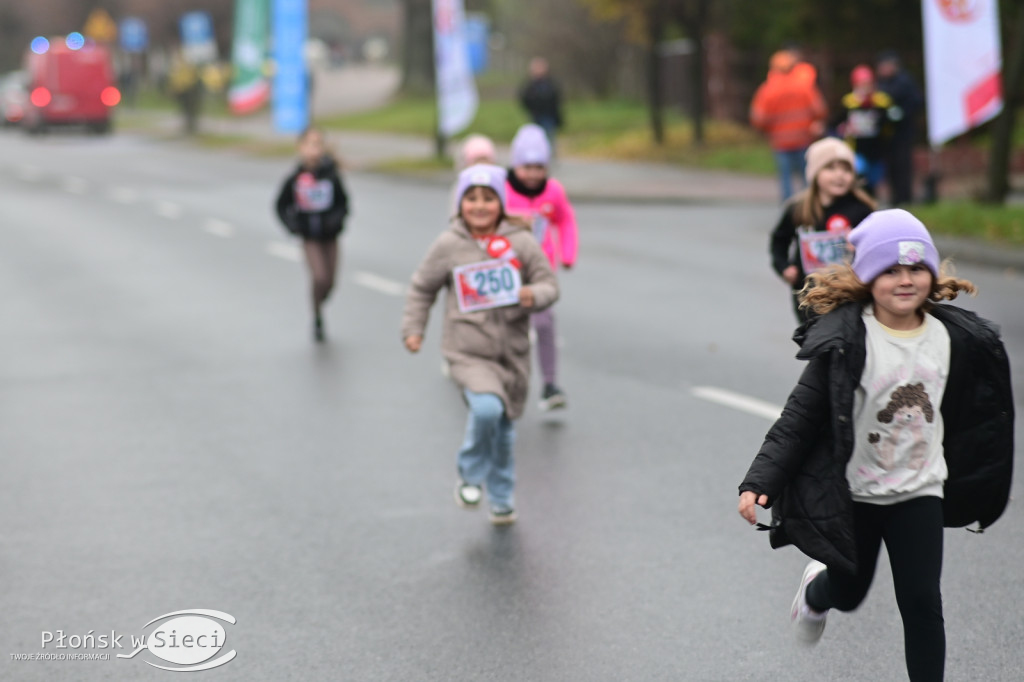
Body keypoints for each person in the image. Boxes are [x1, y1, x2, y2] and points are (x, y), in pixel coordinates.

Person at [738, 209, 1014, 680]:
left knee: (923, 602)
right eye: (890, 270)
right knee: (849, 594)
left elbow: (978, 417)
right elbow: (800, 418)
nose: (904, 281)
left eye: (915, 269)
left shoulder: (955, 338)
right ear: (867, 276)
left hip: (920, 489)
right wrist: (760, 481)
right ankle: (816, 592)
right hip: (856, 495)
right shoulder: (848, 340)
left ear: (930, 273)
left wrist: (980, 478)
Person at [402, 164, 559, 525]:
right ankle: (470, 473)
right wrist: (414, 329)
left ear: (501, 204)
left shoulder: (520, 242)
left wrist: (531, 294)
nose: (479, 206)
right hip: (467, 351)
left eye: (488, 198)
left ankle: (501, 498)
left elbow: (550, 285)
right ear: (459, 205)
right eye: (471, 198)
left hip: (512, 356)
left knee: (504, 432)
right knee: (487, 410)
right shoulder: (448, 244)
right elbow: (422, 289)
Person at [505, 123, 578, 410]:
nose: (534, 174)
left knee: (544, 323)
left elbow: (566, 220)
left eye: (540, 167)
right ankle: (505, 379)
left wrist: (567, 254)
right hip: (506, 270)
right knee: (508, 328)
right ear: (515, 164)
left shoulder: (553, 191)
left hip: (540, 271)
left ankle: (549, 384)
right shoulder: (502, 189)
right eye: (527, 167)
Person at [770, 137, 876, 323]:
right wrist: (784, 267)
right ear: (815, 173)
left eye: (846, 169)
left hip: (849, 293)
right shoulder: (799, 208)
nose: (839, 175)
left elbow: (878, 245)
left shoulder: (861, 209)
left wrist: (860, 247)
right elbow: (779, 240)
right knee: (816, 343)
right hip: (810, 293)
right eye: (831, 168)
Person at [275, 127, 350, 342]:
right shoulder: (295, 178)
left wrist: (336, 221)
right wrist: (294, 226)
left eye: (318, 144)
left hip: (330, 236)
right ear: (300, 148)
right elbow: (281, 205)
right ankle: (317, 315)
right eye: (309, 144)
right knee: (319, 277)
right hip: (310, 237)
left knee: (331, 282)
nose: (313, 149)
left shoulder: (331, 175)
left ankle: (320, 300)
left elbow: (344, 203)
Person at [750, 50, 828, 202]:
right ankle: (808, 206)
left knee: (786, 178)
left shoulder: (767, 90)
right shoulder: (804, 86)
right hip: (803, 138)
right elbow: (819, 109)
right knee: (806, 175)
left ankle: (789, 209)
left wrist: (767, 130)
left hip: (780, 141)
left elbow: (758, 118)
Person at [835, 65, 899, 198]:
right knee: (860, 174)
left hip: (877, 148)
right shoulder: (849, 102)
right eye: (861, 84)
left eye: (868, 84)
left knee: (874, 180)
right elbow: (838, 121)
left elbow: (892, 118)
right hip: (856, 148)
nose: (865, 87)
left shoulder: (882, 100)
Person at [876, 50, 924, 205]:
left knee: (903, 166)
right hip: (886, 135)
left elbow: (916, 102)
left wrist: (902, 113)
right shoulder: (882, 83)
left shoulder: (904, 81)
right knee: (891, 168)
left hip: (902, 133)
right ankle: (895, 198)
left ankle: (905, 198)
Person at [518, 57, 563, 148]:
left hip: (548, 116)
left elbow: (556, 98)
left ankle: (550, 158)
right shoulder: (530, 85)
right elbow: (524, 98)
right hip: (535, 116)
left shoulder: (550, 83)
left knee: (549, 138)